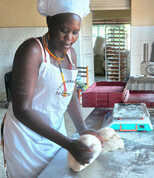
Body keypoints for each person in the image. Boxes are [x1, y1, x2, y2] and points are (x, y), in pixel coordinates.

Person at [2, 0, 103, 177]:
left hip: (55, 130)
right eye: (64, 30)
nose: (69, 38)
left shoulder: (71, 54)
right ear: (49, 22)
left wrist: (82, 129)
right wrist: (68, 143)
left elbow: (69, 93)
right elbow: (22, 110)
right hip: (26, 136)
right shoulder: (32, 50)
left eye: (75, 32)